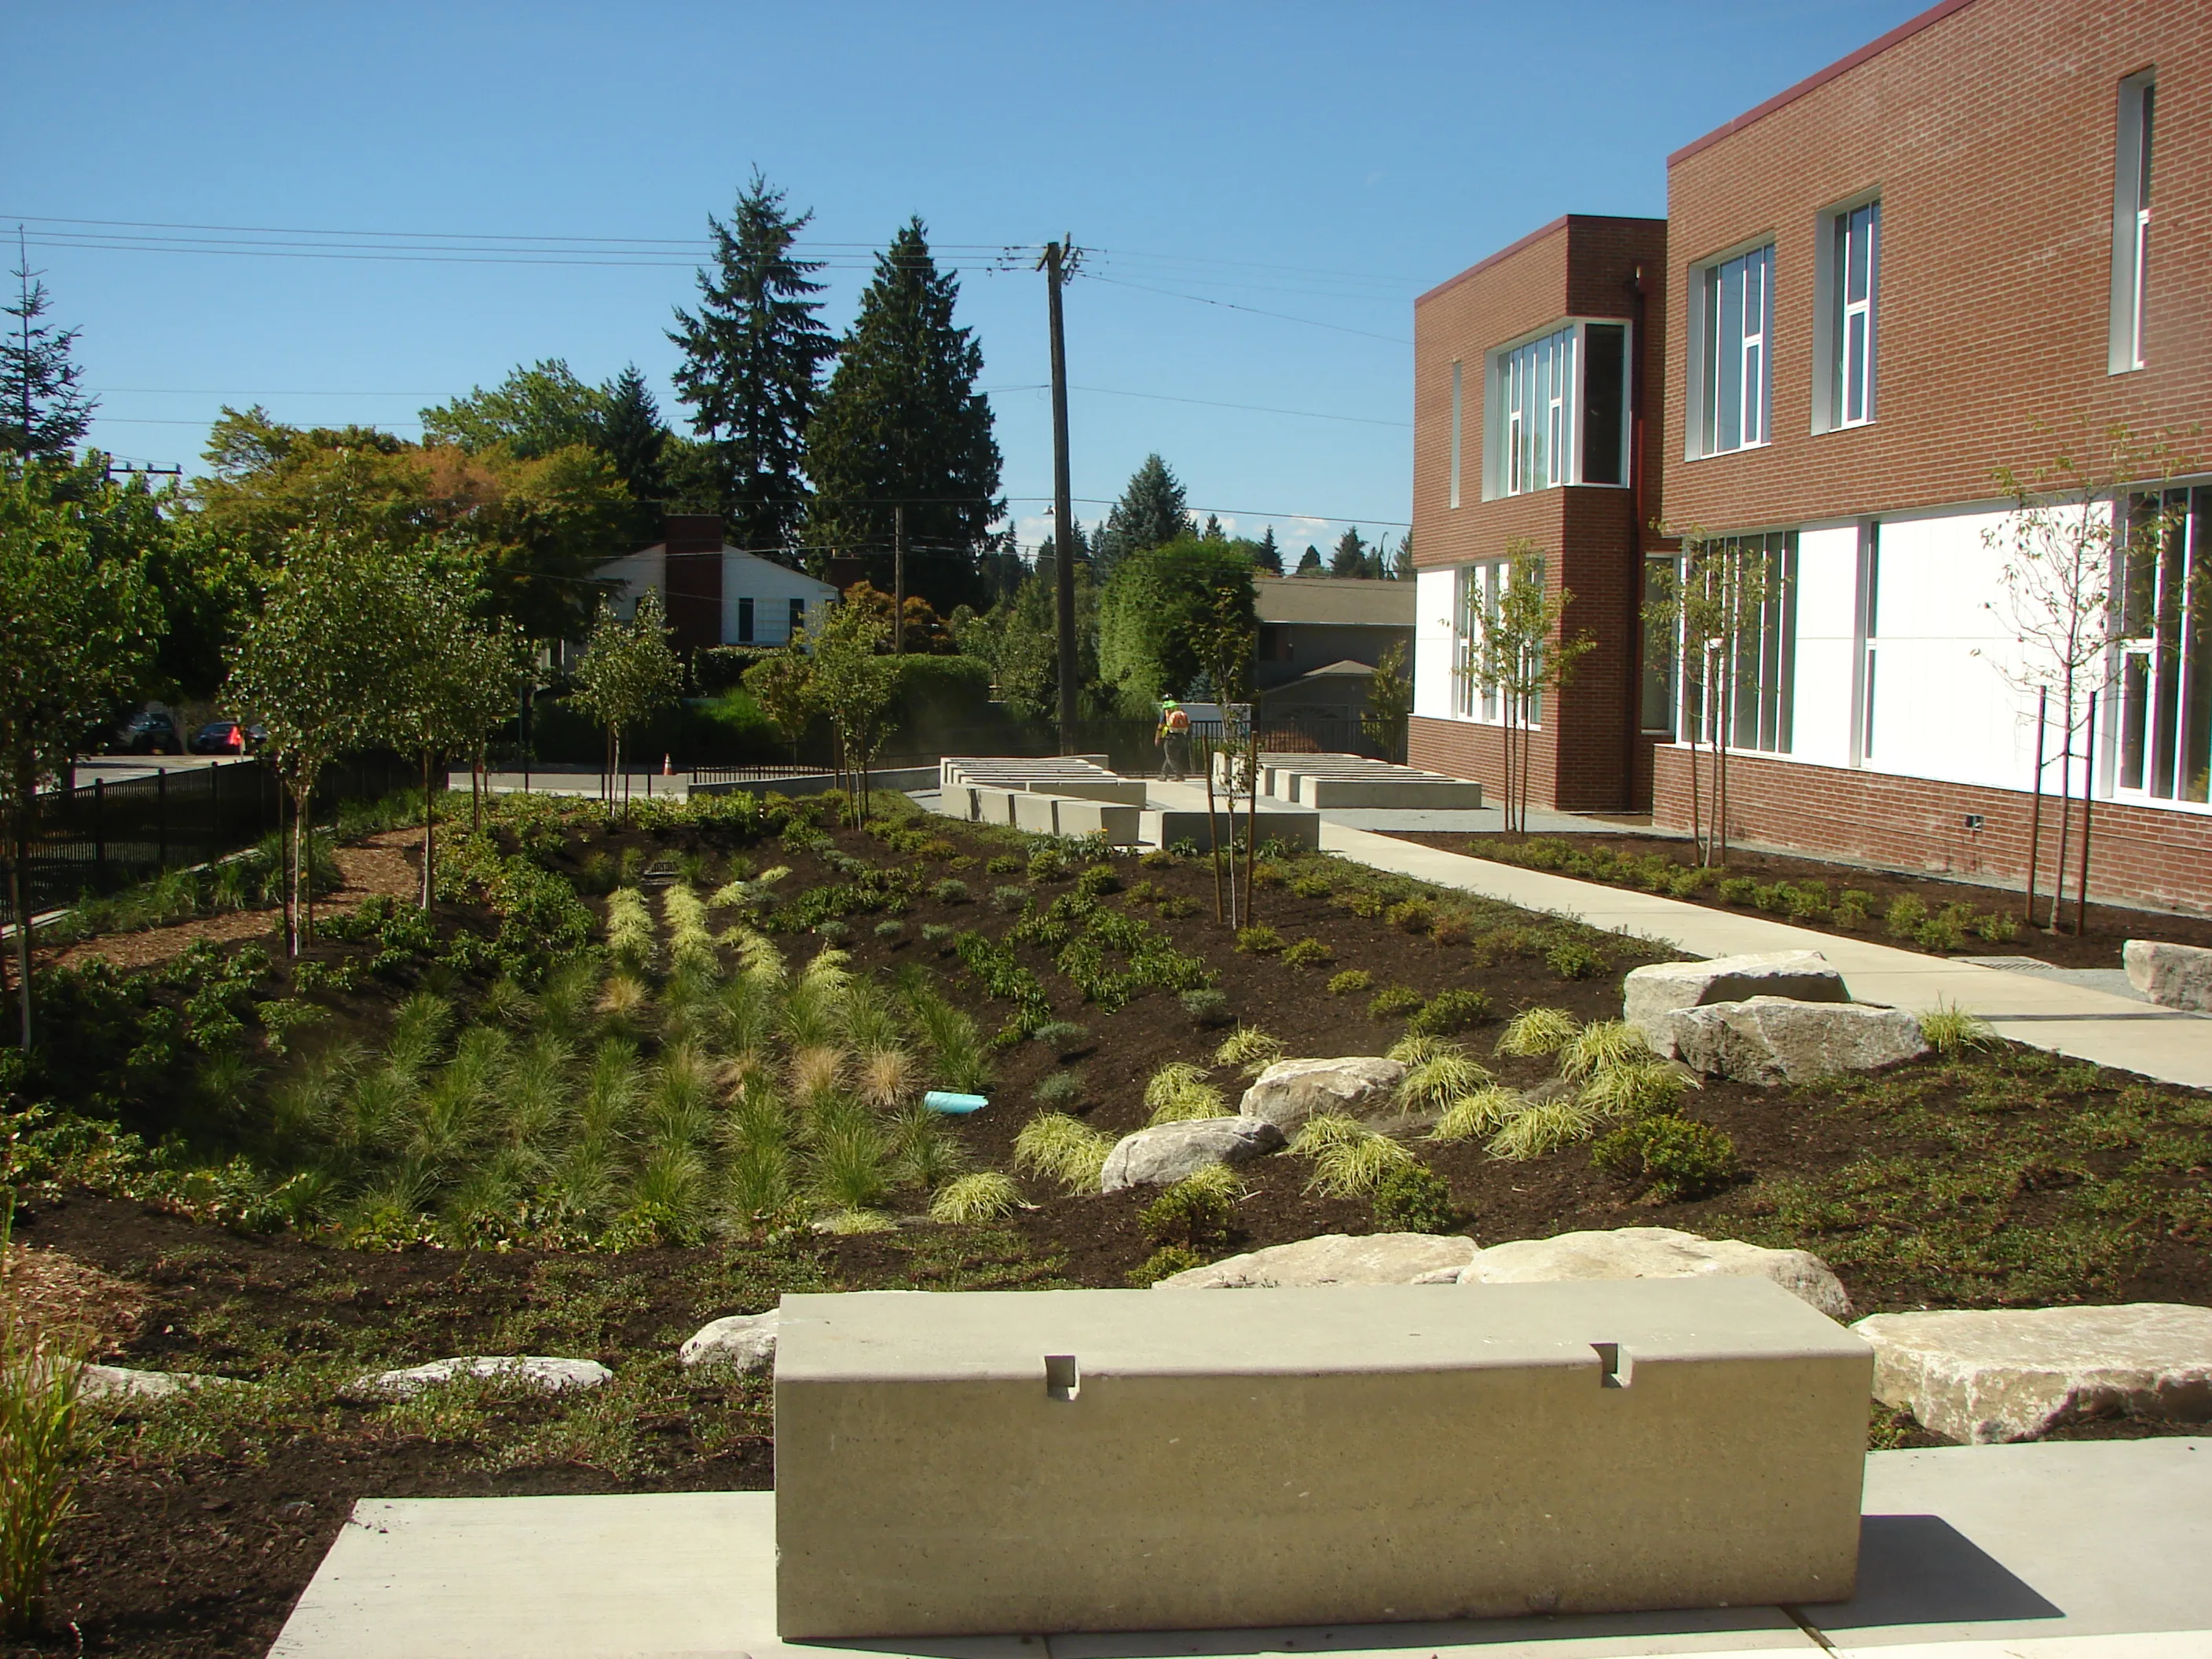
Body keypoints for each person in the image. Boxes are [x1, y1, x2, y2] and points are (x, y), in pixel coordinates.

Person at [1155, 698, 1192, 781]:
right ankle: (1164, 774)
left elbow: (1161, 726)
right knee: (1172, 756)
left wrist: (1157, 738)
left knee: (1170, 757)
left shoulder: (1166, 710)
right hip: (1182, 736)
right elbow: (1189, 725)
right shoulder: (1181, 711)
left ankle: (1179, 775)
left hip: (1170, 737)